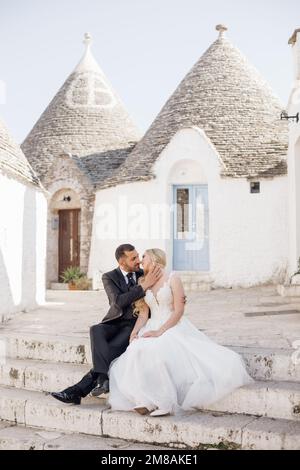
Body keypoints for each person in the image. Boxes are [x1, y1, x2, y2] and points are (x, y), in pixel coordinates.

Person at [108, 248, 254, 417]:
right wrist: (134, 332)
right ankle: (145, 401)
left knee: (157, 351)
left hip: (171, 325)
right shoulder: (143, 281)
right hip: (152, 325)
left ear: (154, 259)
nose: (141, 261)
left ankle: (165, 402)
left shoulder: (173, 278)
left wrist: (159, 332)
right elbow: (143, 314)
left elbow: (178, 311)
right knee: (135, 349)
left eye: (144, 257)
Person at [50, 244, 162, 405]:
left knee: (111, 349)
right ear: (122, 262)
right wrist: (143, 286)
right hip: (115, 320)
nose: (138, 261)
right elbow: (117, 302)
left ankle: (78, 390)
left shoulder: (143, 273)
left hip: (135, 323)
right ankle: (102, 377)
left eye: (138, 256)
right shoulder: (109, 277)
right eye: (133, 258)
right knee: (96, 330)